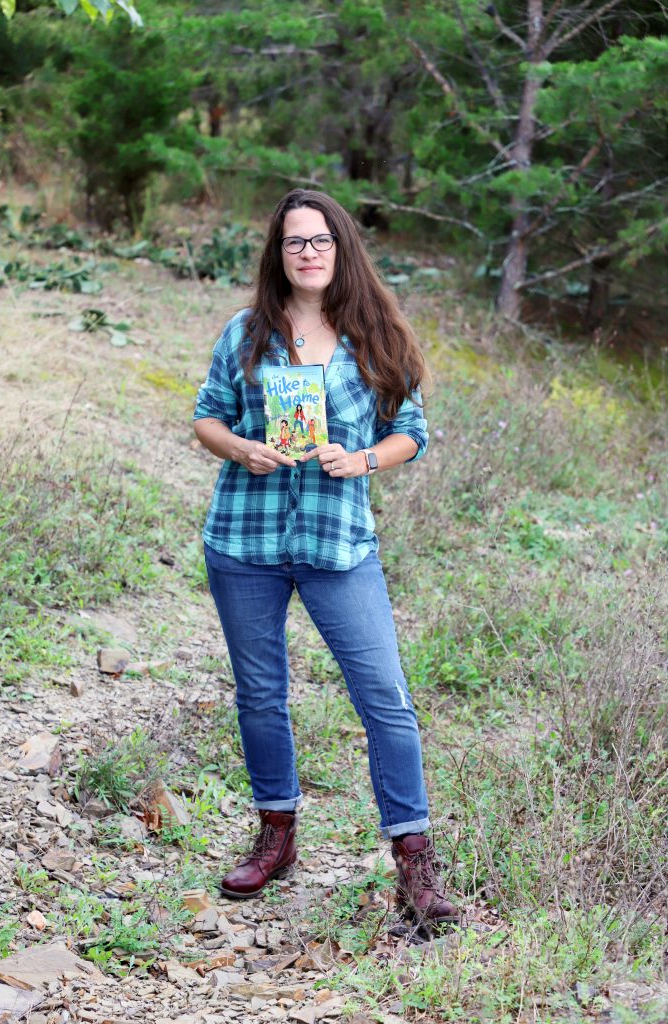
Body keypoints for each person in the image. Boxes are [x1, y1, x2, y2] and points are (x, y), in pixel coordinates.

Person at [193, 188, 459, 931]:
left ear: (341, 249)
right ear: (277, 256)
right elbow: (206, 415)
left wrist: (365, 459)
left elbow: (412, 429)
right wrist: (241, 446)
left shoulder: (375, 333)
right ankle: (276, 836)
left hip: (338, 547)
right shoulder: (246, 331)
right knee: (260, 695)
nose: (307, 252)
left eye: (319, 240)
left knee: (386, 700)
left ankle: (413, 862)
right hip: (244, 540)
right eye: (293, 242)